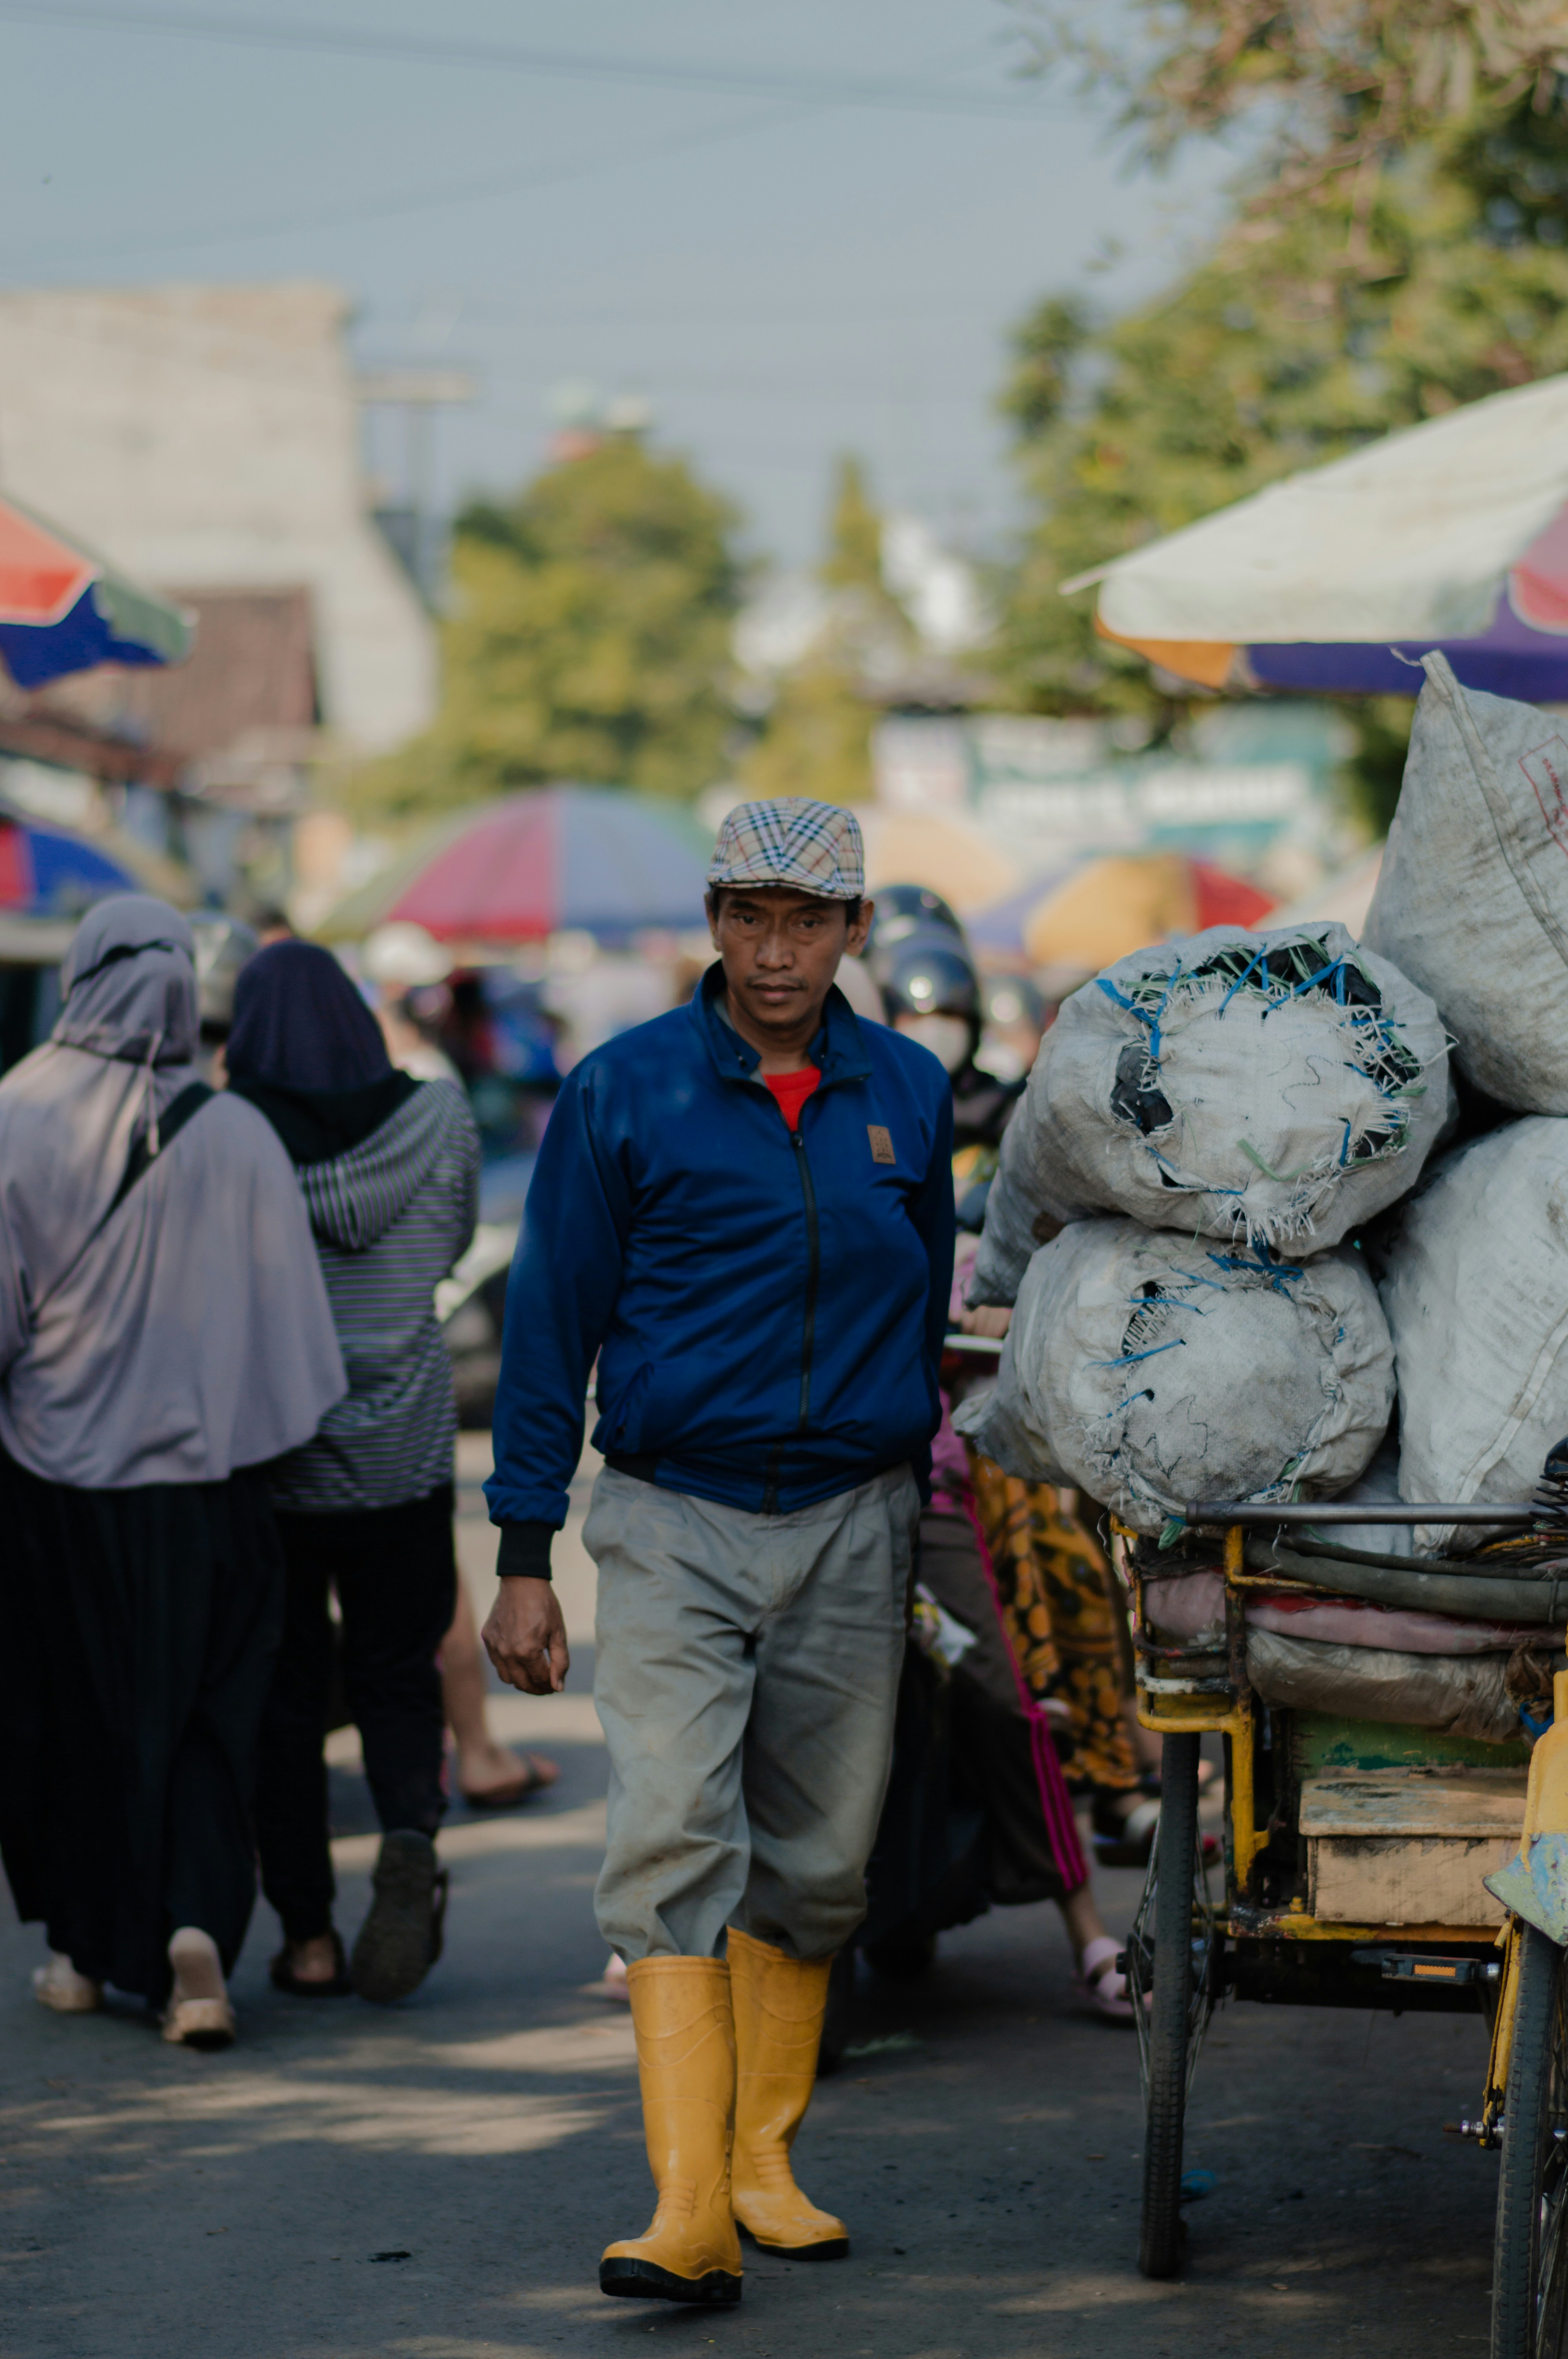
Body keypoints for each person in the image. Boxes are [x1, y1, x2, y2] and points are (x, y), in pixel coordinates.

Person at [483, 797, 954, 2308]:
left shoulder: (910, 1090)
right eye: (750, 917)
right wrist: (522, 1550)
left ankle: (765, 2162)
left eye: (807, 922)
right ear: (711, 919)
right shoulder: (623, 1094)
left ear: (855, 933)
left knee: (819, 1864)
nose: (775, 952)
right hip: (677, 1516)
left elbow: (923, 1293)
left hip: (855, 1520)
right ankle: (685, 2207)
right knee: (676, 1831)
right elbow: (550, 1320)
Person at [0, 896, 345, 2048]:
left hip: (56, 1491)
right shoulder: (238, 1131)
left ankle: (86, 1954)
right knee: (205, 1714)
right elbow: (291, 1336)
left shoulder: (17, 1112)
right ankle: (197, 1935)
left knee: (77, 1714)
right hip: (212, 1492)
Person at [229, 942, 481, 2006]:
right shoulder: (441, 1119)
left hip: (278, 1462)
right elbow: (453, 1245)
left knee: (284, 1704)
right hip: (407, 1448)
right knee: (395, 1672)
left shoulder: (234, 1142)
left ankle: (310, 1939)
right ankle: (410, 1838)